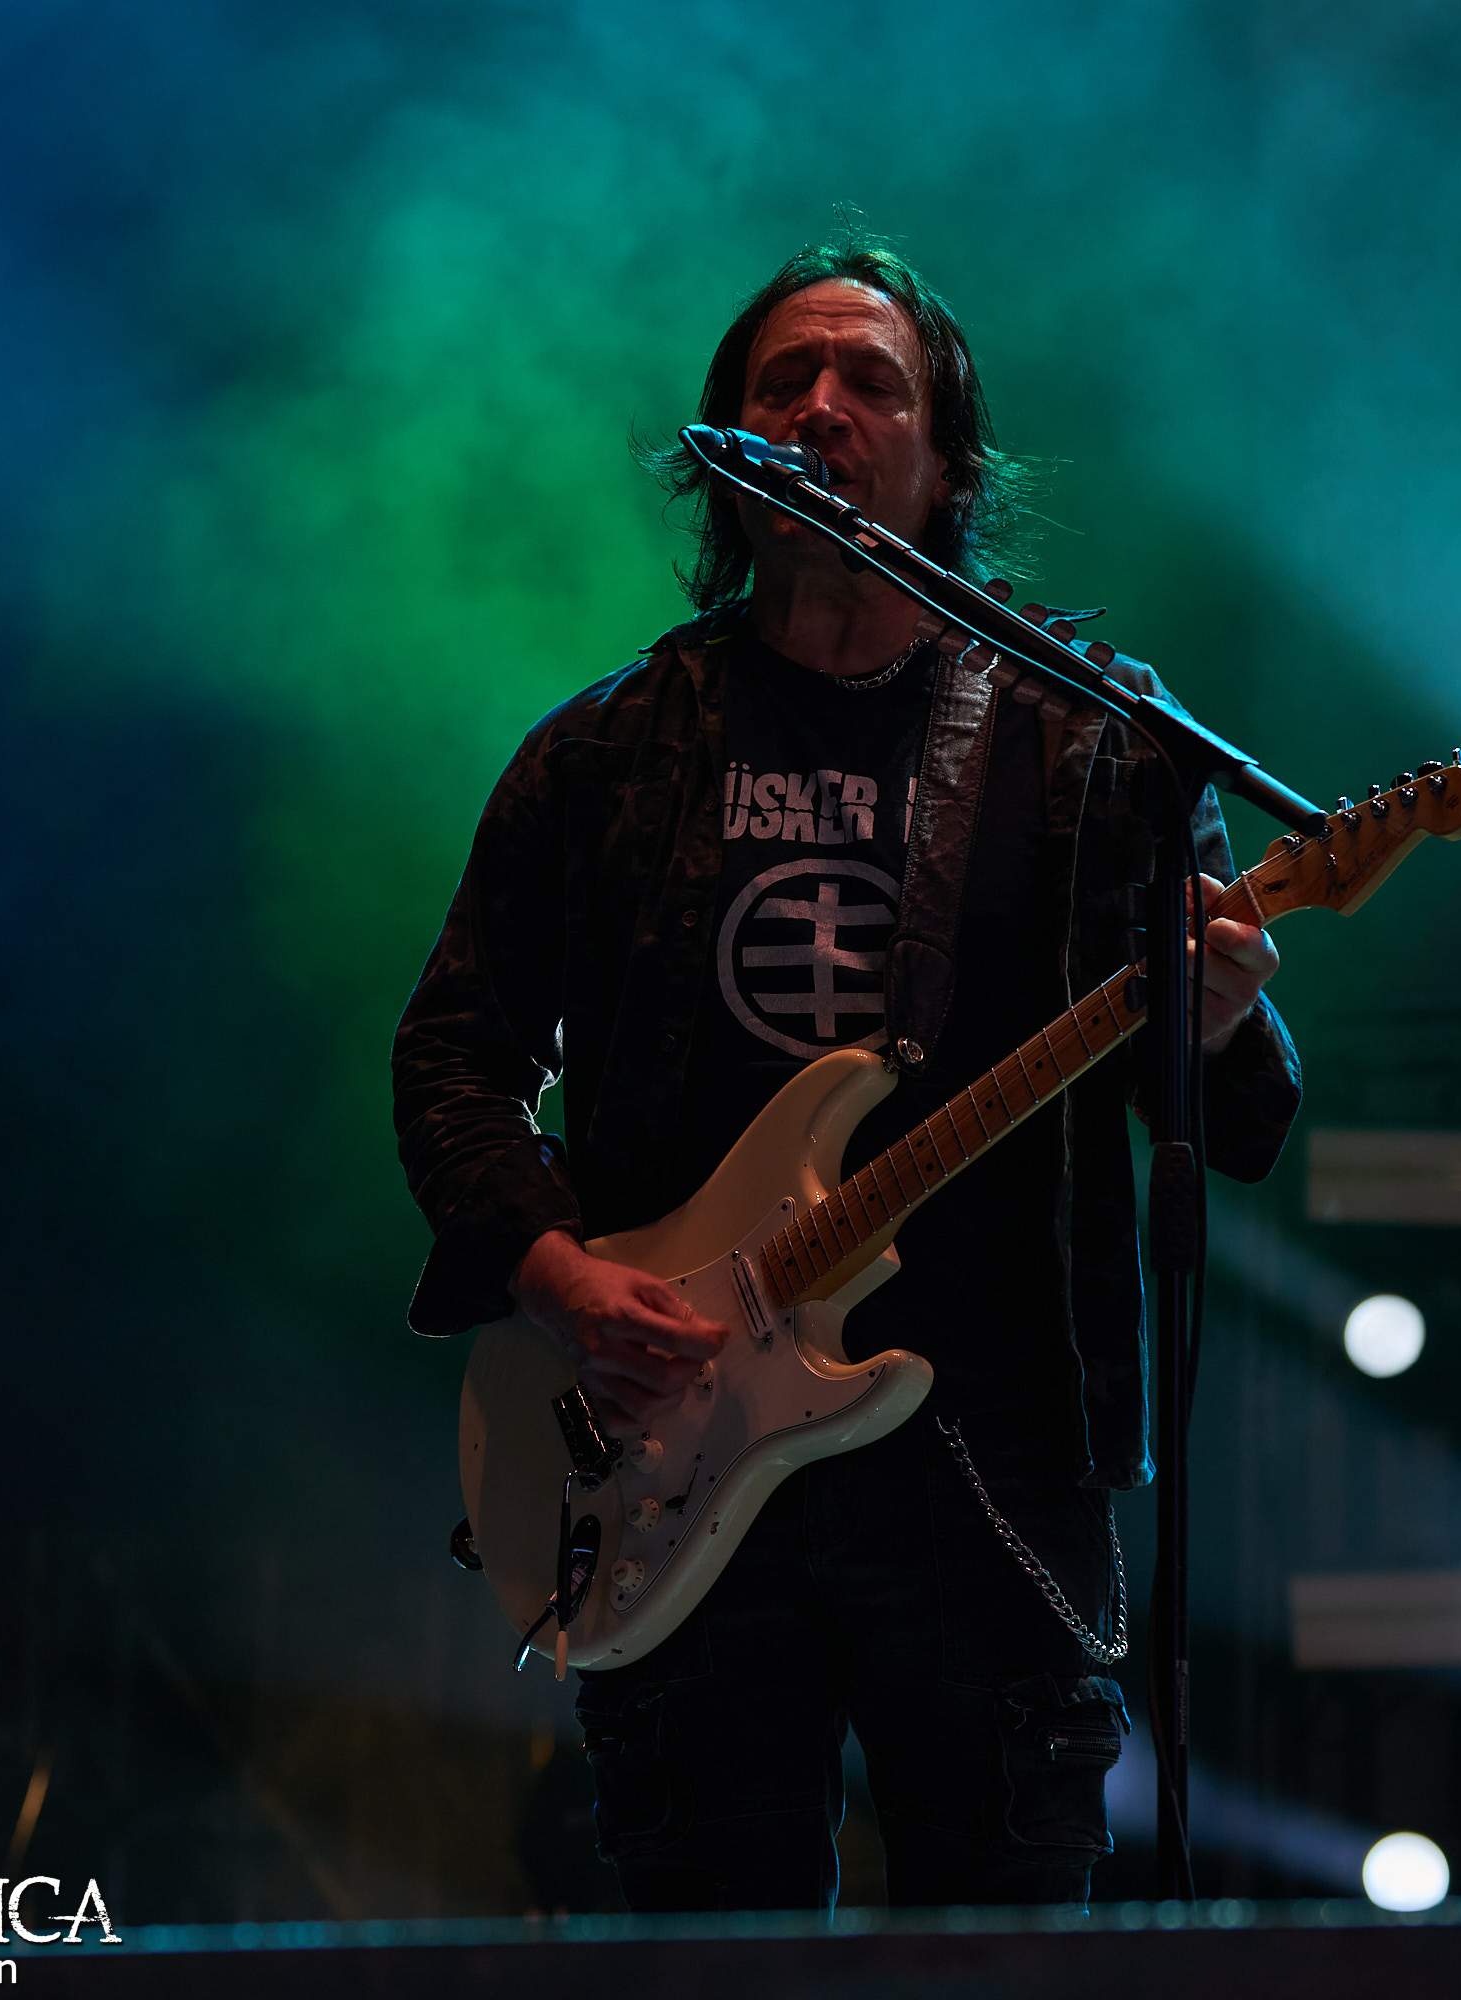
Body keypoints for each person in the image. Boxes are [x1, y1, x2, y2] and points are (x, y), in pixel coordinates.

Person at [392, 229, 1301, 1914]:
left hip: (991, 1466)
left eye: (870, 384)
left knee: (1009, 1945)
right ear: (720, 453)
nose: (820, 409)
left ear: (947, 465)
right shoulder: (607, 753)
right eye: (779, 384)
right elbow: (454, 1057)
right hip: (673, 1447)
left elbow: (1239, 1123)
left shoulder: (1086, 741)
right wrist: (561, 1280)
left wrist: (1222, 1021)